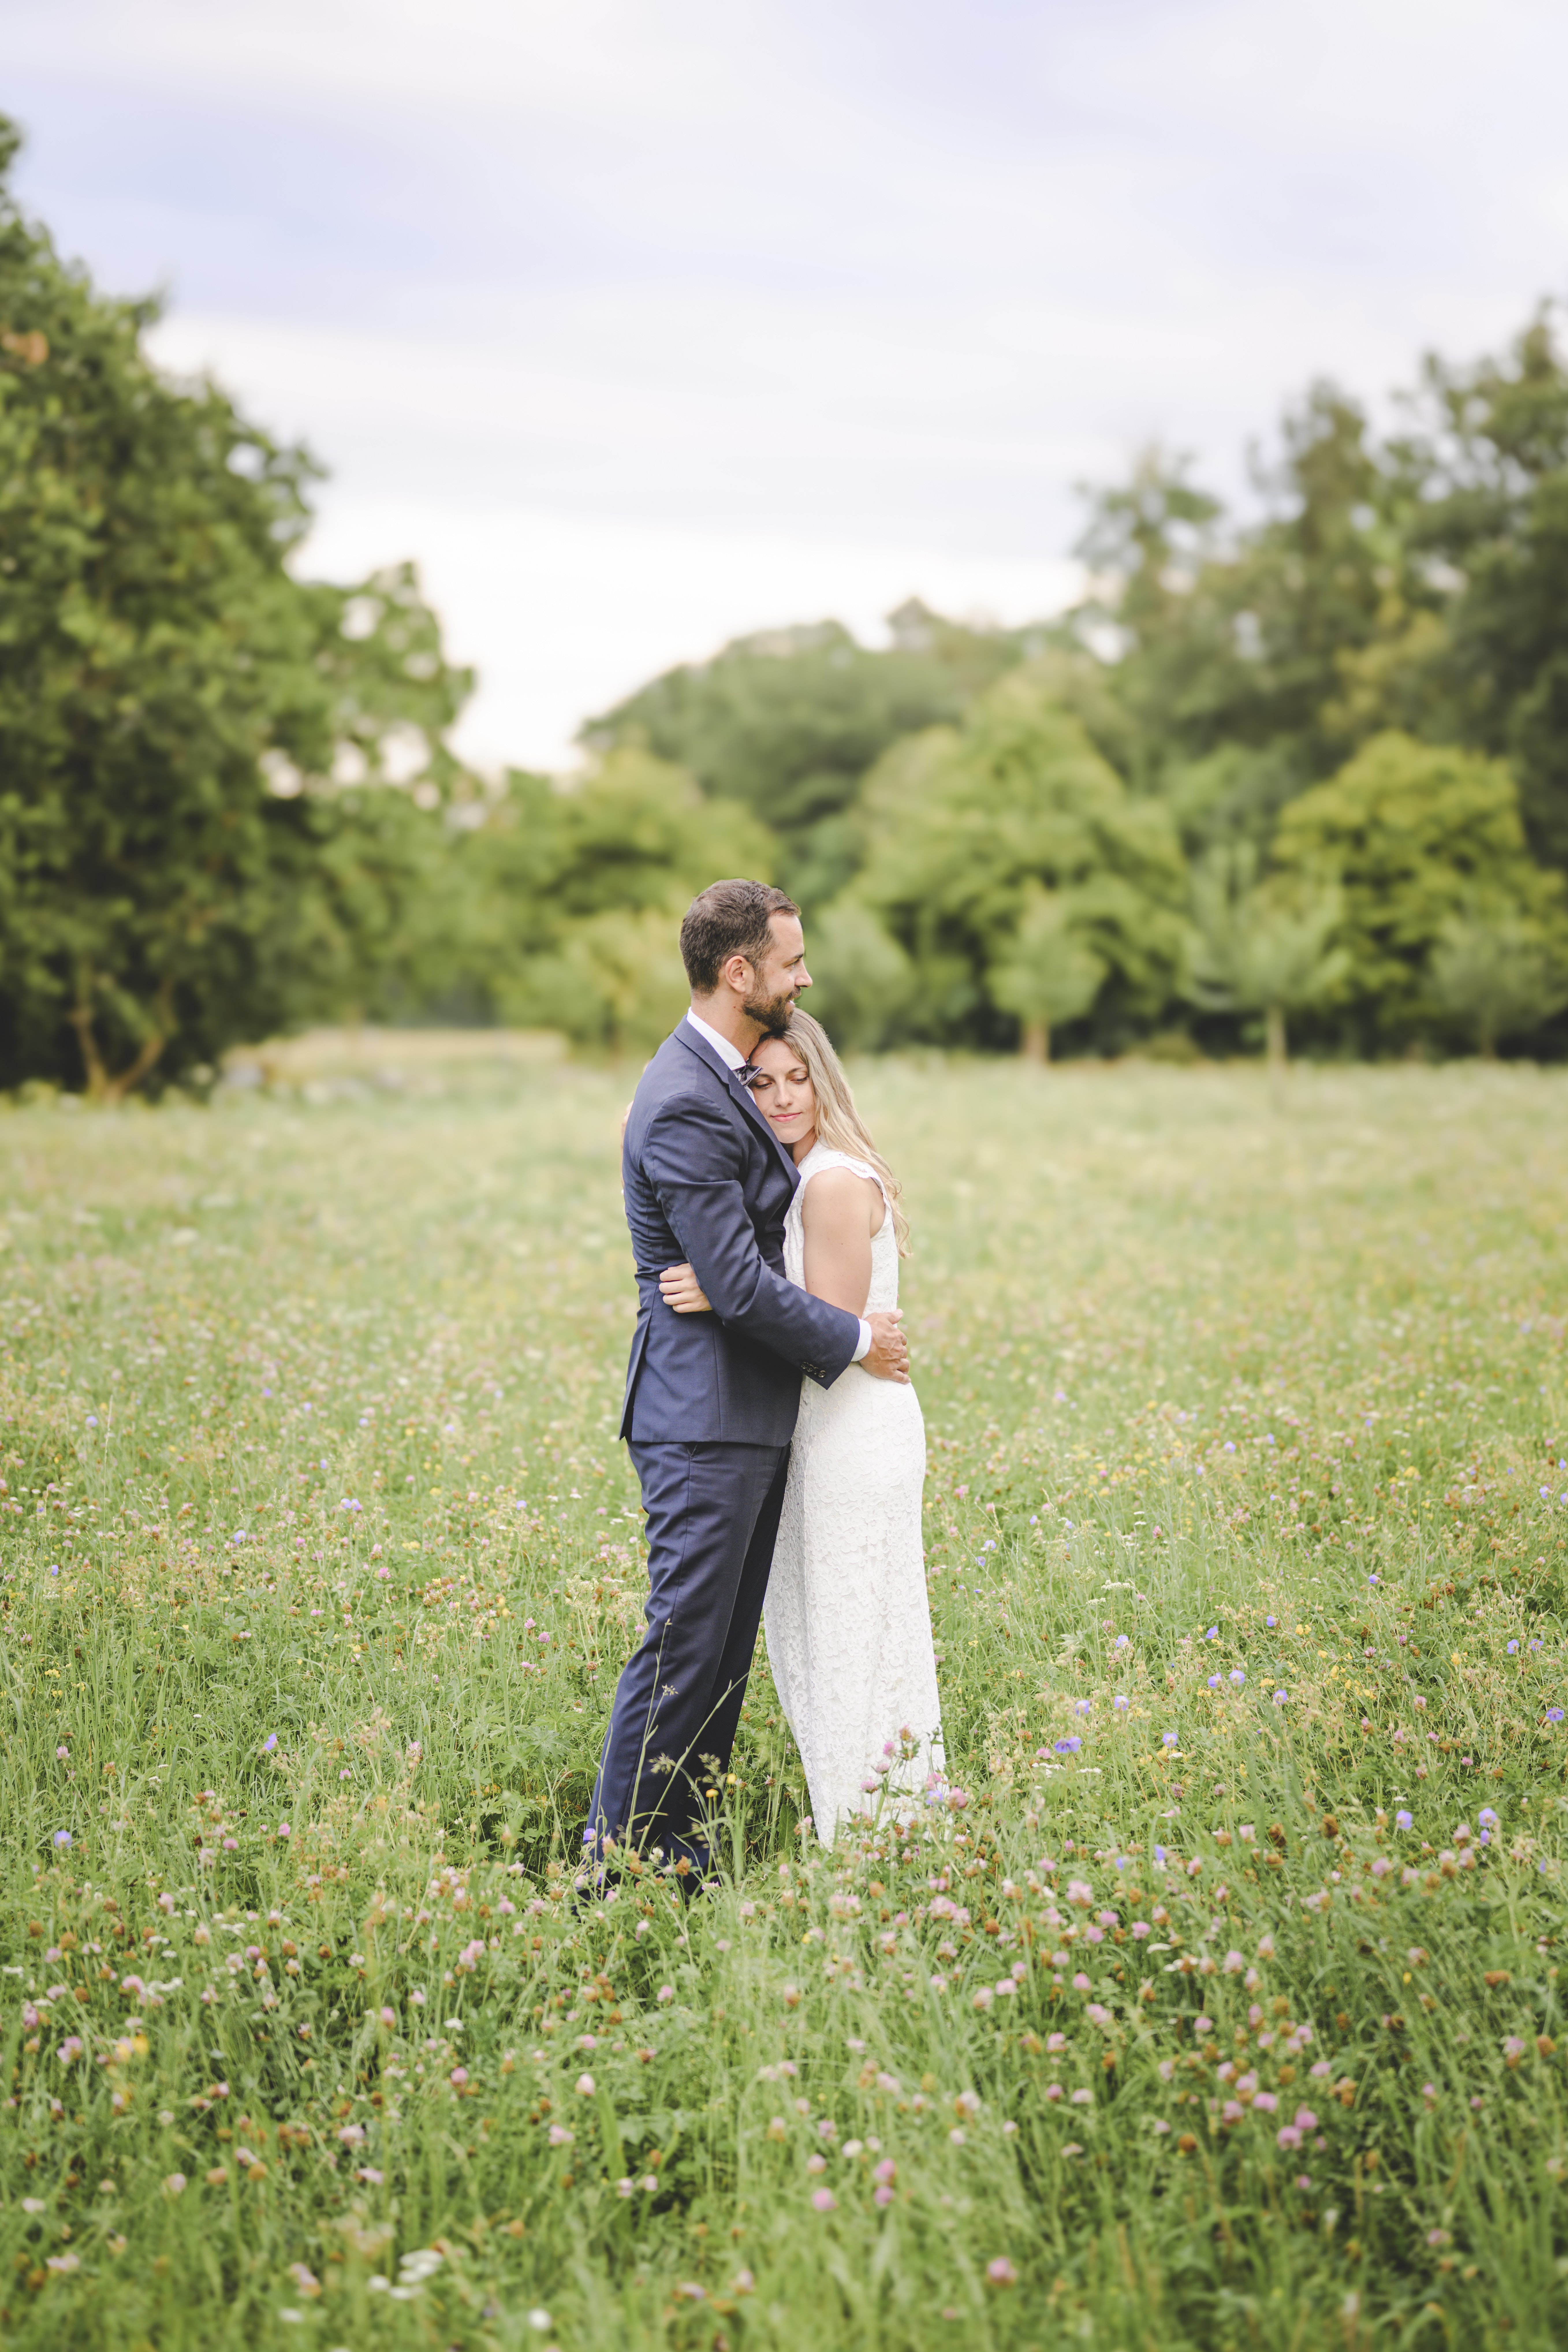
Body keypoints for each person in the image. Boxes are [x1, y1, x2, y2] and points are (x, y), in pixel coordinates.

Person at [584, 879, 910, 1881]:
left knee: (721, 1659)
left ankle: (677, 1853)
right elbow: (731, 1280)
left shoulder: (717, 1074)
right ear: (740, 972)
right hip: (702, 1419)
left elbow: (736, 1267)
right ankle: (614, 1867)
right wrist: (854, 1337)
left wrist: (736, 1285)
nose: (803, 977)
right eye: (791, 961)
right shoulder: (687, 1093)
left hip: (746, 1412)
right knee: (684, 1647)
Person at [660, 1010, 943, 1844]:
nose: (783, 1098)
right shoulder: (803, 1174)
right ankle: (884, 1822)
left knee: (851, 1639)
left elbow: (831, 1329)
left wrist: (725, 1291)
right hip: (832, 1429)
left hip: (853, 1435)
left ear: (825, 1082)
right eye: (762, 1082)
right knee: (841, 1635)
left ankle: (868, 1837)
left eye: (799, 1078)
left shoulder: (830, 1183)